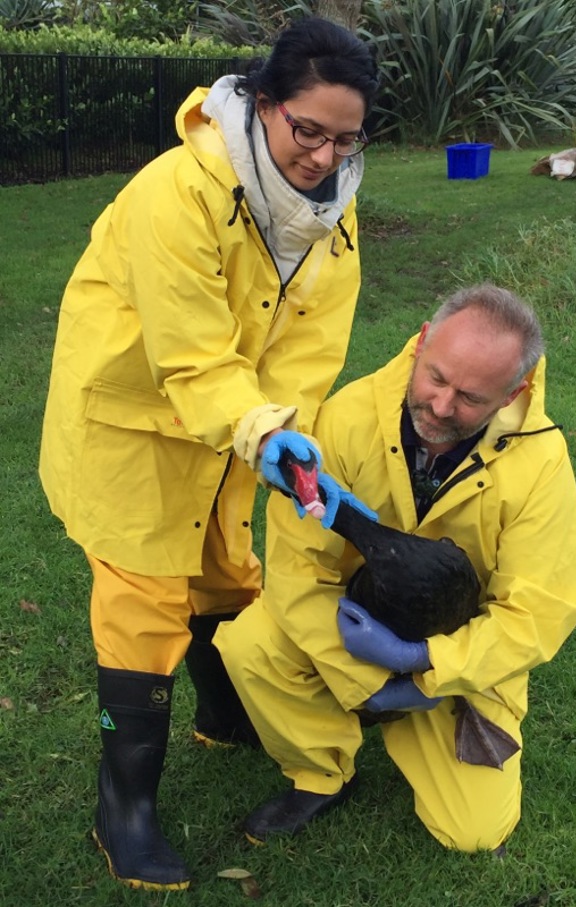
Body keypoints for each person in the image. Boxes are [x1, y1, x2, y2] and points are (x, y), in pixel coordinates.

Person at [38, 17, 380, 891]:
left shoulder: (332, 219)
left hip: (235, 430)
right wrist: (261, 427)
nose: (324, 156)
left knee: (227, 571)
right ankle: (126, 808)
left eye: (347, 138)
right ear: (265, 106)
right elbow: (189, 355)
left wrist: (284, 435)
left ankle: (225, 715)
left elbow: (309, 347)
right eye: (308, 130)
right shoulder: (178, 192)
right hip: (133, 421)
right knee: (145, 598)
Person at [216, 283, 576, 854]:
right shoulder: (345, 418)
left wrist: (425, 666)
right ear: (421, 343)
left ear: (514, 392)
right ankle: (321, 773)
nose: (441, 408)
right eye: (436, 378)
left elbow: (541, 611)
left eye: (469, 398)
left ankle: (417, 714)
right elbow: (297, 573)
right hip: (348, 625)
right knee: (253, 644)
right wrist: (371, 678)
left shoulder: (540, 462)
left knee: (474, 833)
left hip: (456, 657)